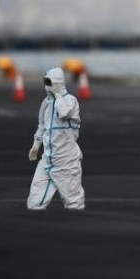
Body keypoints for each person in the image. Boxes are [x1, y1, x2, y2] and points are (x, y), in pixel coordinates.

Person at [27, 67, 85, 210]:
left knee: (73, 203)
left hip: (66, 162)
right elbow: (42, 125)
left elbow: (64, 113)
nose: (46, 86)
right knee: (34, 203)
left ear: (58, 83)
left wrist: (58, 95)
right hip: (47, 160)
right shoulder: (46, 103)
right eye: (45, 82)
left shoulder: (70, 101)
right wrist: (36, 145)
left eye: (49, 82)